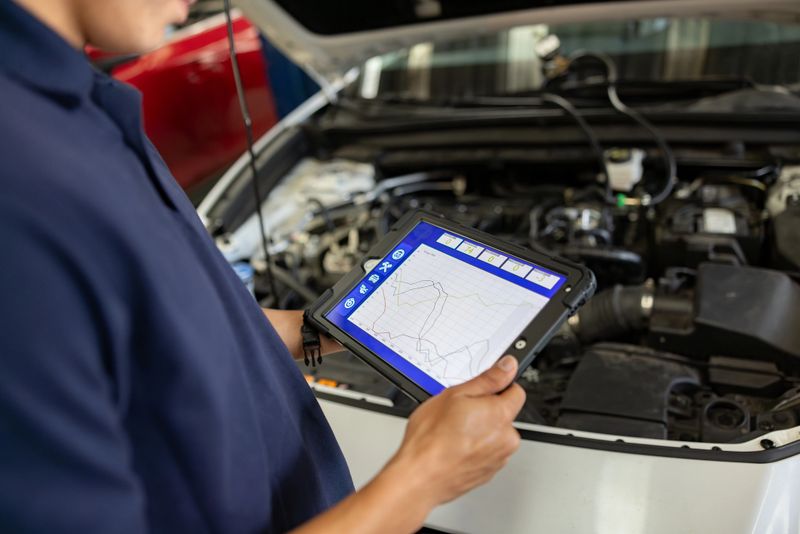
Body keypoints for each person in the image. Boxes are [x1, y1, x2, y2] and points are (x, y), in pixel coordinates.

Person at [0, 1, 526, 532]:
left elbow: (173, 336)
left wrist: (336, 326)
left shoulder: (82, 109)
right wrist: (422, 479)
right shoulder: (20, 191)